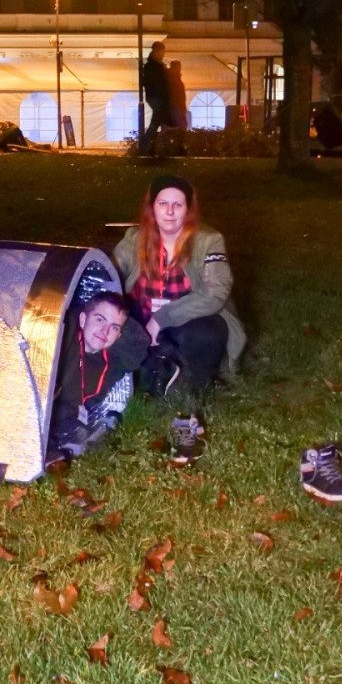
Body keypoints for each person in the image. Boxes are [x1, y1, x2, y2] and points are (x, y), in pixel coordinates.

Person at [111, 174, 244, 466]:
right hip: (144, 320)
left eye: (178, 205)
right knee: (115, 333)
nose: (170, 212)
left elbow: (216, 292)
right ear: (152, 207)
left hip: (189, 321)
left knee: (204, 335)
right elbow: (112, 275)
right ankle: (158, 370)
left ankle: (192, 388)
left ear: (188, 208)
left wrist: (163, 318)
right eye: (163, 204)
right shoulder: (134, 239)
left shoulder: (209, 240)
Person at [46, 290, 148, 466]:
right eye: (100, 320)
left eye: (114, 327)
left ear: (119, 335)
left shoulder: (112, 362)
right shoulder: (62, 339)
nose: (104, 331)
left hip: (67, 418)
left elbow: (140, 341)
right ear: (83, 319)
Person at [140, 41, 170, 154]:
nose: (163, 54)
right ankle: (145, 147)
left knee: (159, 122)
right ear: (156, 51)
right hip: (157, 96)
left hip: (157, 96)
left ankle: (150, 147)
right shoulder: (153, 66)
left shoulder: (154, 65)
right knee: (157, 122)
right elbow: (155, 83)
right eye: (162, 51)